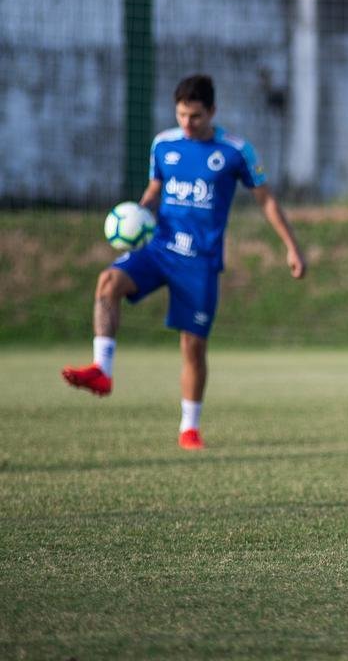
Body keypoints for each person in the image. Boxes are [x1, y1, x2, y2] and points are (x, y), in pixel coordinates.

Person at [62, 75, 306, 450]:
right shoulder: (163, 145)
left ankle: (189, 427)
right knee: (108, 282)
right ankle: (102, 370)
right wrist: (136, 216)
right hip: (159, 248)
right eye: (181, 115)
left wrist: (292, 246)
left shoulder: (236, 151)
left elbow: (266, 200)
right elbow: (154, 191)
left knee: (193, 348)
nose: (187, 123)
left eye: (194, 116)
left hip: (200, 262)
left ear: (212, 112)